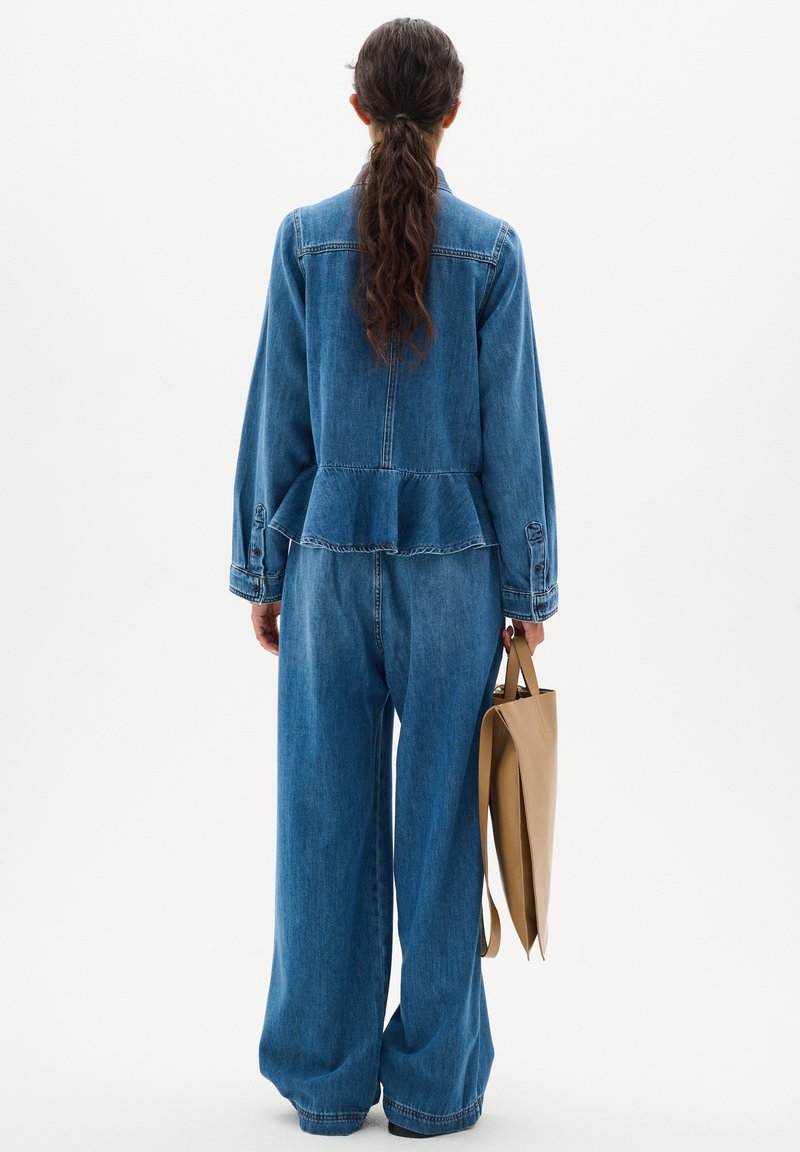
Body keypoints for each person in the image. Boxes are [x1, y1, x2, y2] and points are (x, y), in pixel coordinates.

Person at [228, 16, 559, 1139]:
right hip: (457, 578)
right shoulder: (492, 251)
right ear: (453, 111)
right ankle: (432, 1089)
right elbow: (513, 439)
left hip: (324, 569)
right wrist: (527, 595)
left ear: (359, 109)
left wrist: (266, 568)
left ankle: (325, 1082)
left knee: (324, 821)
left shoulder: (303, 241)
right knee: (442, 829)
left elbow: (278, 421)